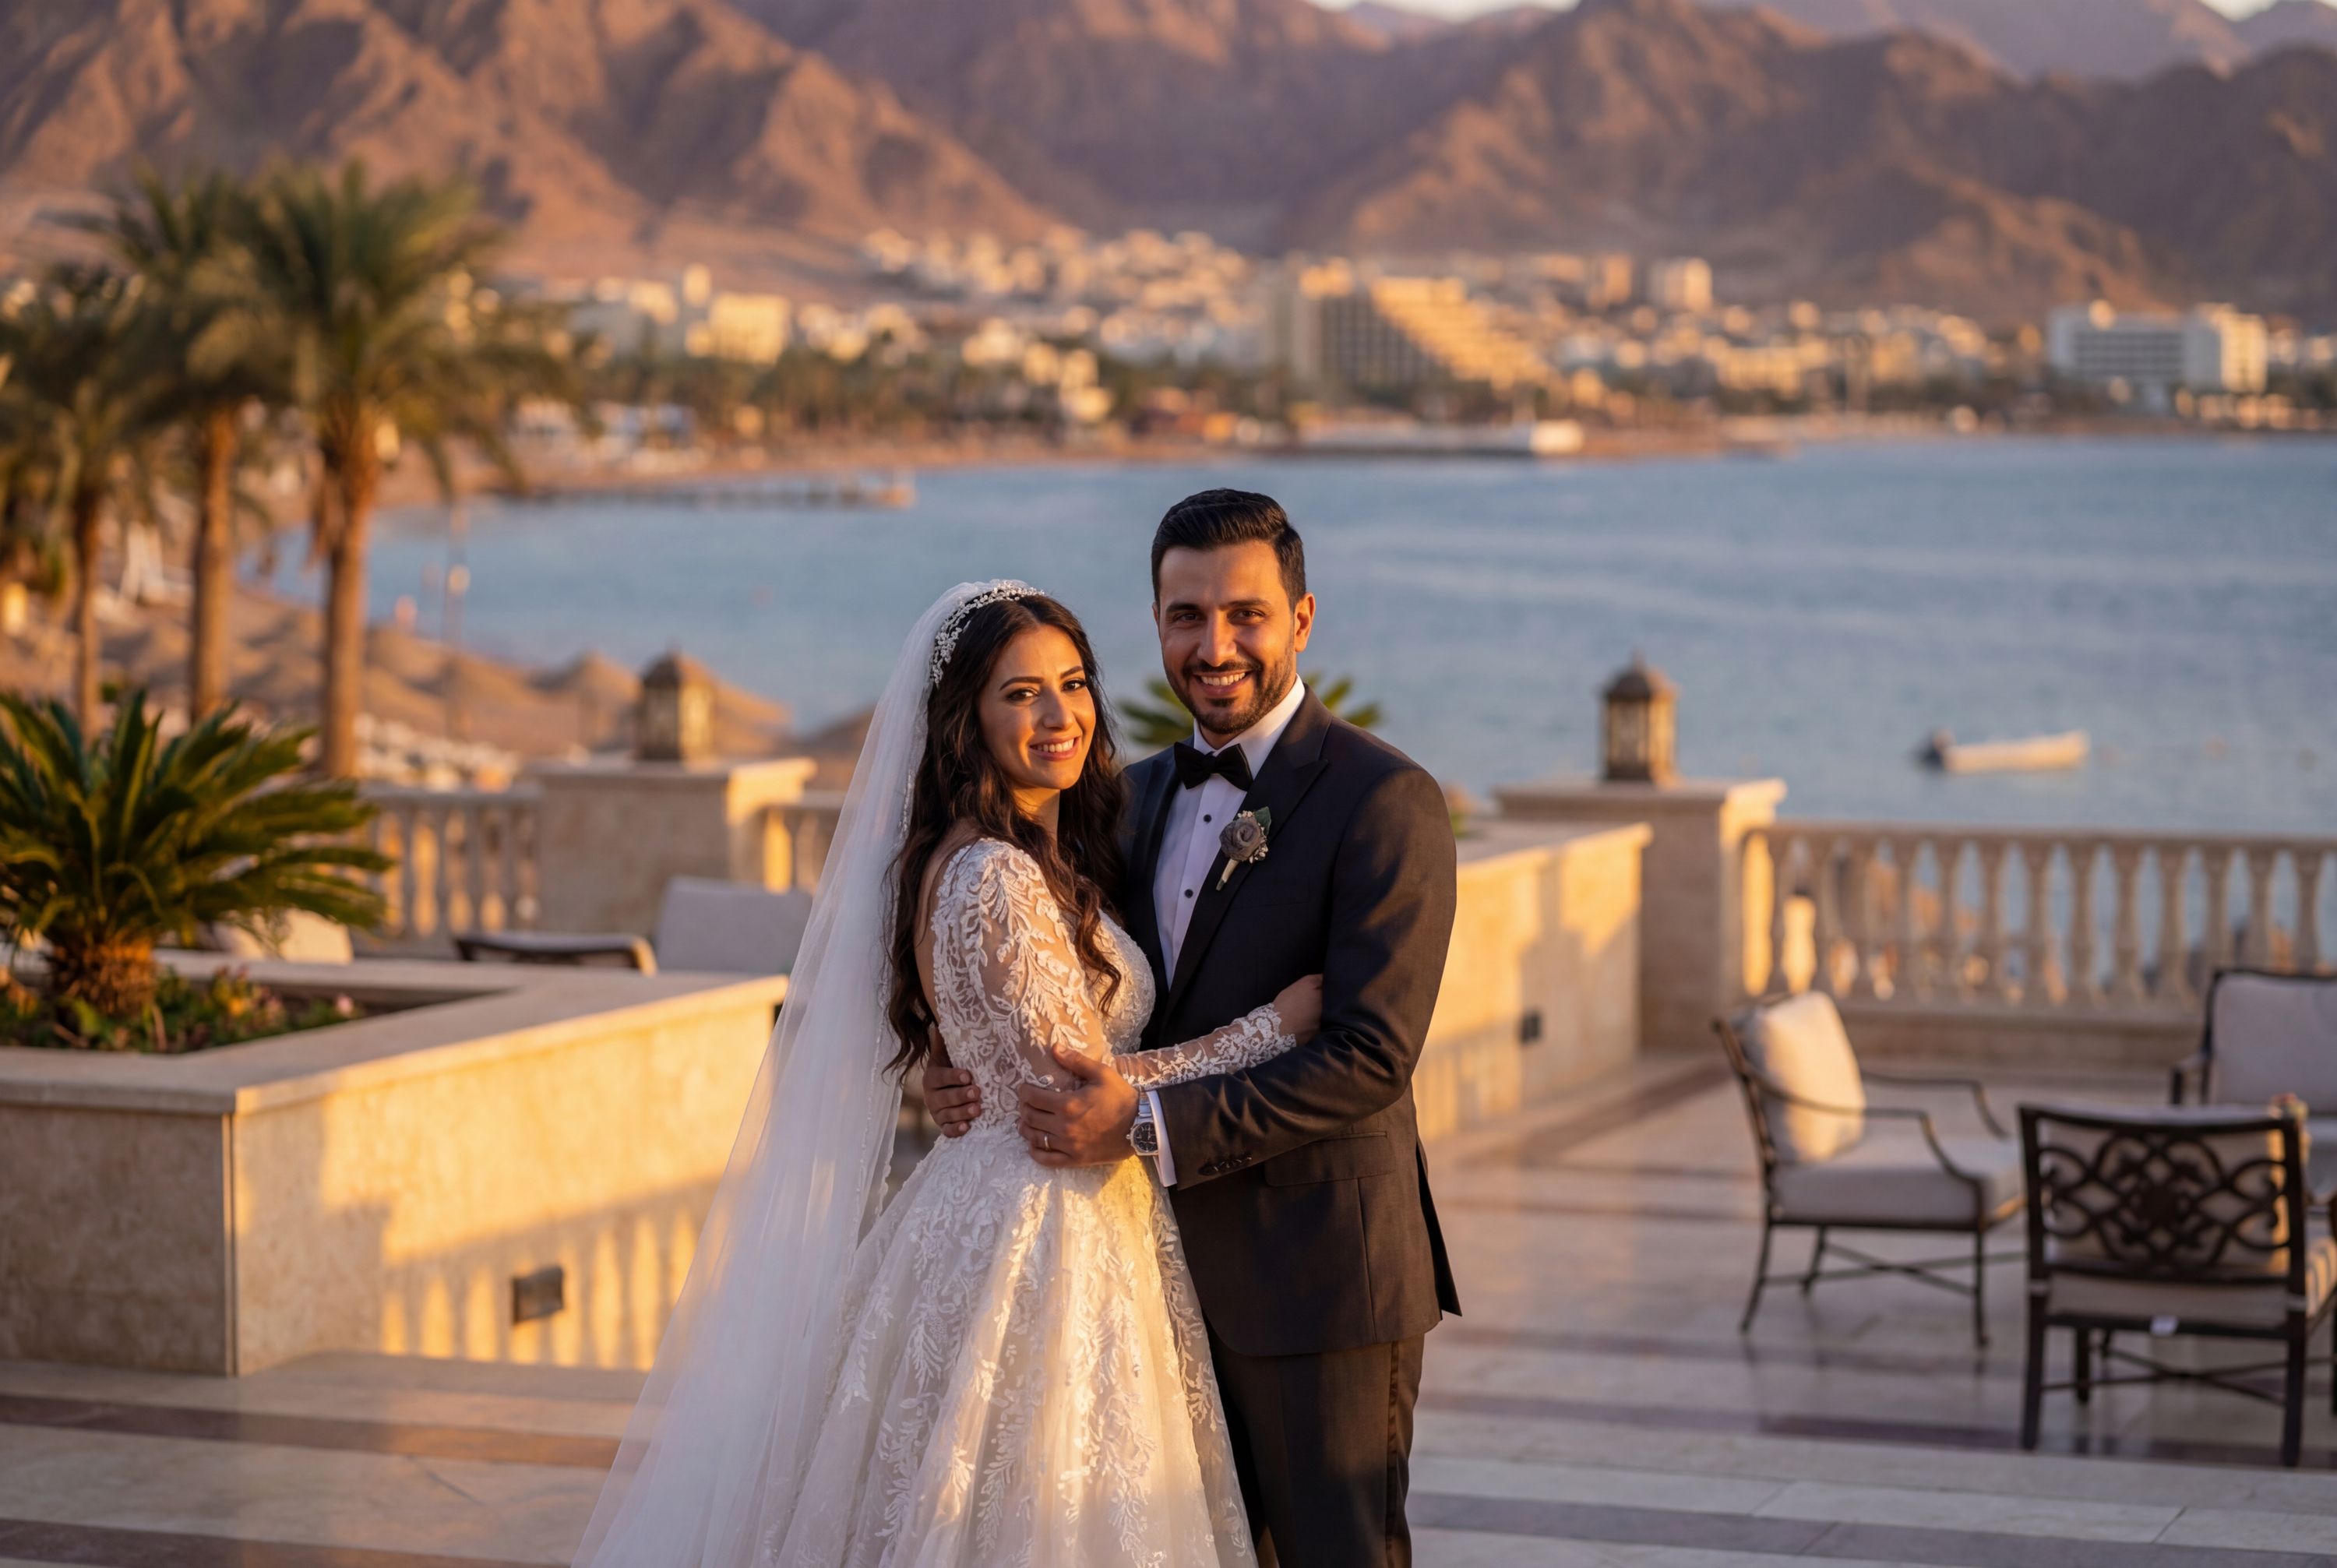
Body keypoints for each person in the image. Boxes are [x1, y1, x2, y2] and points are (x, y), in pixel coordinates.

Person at [573, 580, 1324, 1568]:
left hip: (1036, 1201)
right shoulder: (994, 874)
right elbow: (1084, 1083)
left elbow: (1014, 1036)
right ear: (965, 719)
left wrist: (957, 1056)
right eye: (1020, 694)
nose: (1059, 715)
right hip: (1037, 1227)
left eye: (1072, 683)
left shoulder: (1024, 848)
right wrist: (1275, 1025)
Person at [925, 490, 1461, 1567]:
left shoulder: (1385, 799)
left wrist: (1143, 1120)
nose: (1213, 646)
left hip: (1317, 1281)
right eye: (1185, 616)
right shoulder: (1130, 795)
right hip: (1145, 1276)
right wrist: (957, 1059)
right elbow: (1061, 986)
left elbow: (1369, 1055)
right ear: (1158, 619)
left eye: (1245, 615)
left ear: (1301, 620)